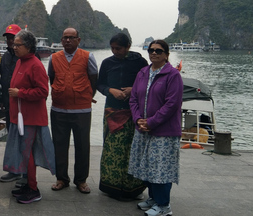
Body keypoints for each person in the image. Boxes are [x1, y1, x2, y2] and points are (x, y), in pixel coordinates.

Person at [128, 40, 183, 216]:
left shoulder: (173, 75)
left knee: (161, 168)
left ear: (166, 54)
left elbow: (172, 104)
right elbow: (134, 99)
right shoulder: (143, 73)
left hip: (164, 132)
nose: (154, 53)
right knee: (147, 166)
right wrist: (138, 120)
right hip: (143, 129)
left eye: (158, 51)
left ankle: (164, 206)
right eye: (151, 50)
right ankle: (153, 199)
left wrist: (151, 122)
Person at [2, 30, 55, 204]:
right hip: (19, 116)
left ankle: (33, 188)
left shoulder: (35, 64)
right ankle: (27, 184)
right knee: (24, 153)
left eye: (18, 45)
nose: (14, 47)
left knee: (28, 153)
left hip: (30, 118)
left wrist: (20, 93)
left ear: (29, 46)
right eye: (14, 44)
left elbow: (43, 91)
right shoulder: (20, 62)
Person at [97, 33, 148, 200]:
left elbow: (148, 83)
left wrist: (133, 90)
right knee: (112, 149)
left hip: (133, 112)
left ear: (127, 47)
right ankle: (110, 186)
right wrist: (110, 90)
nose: (114, 51)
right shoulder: (107, 63)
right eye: (112, 48)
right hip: (112, 110)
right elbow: (100, 84)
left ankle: (132, 187)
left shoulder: (140, 63)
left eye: (118, 48)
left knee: (131, 149)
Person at [48, 27, 98, 194]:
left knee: (82, 146)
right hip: (59, 109)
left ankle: (81, 180)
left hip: (82, 110)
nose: (68, 40)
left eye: (71, 37)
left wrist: (86, 94)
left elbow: (94, 78)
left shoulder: (87, 57)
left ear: (78, 39)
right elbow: (52, 78)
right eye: (65, 38)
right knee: (59, 145)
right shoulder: (54, 58)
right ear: (61, 40)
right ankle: (61, 179)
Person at [0, 24, 25, 184]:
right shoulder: (7, 56)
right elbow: (4, 79)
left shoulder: (26, 57)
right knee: (12, 136)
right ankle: (14, 169)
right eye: (8, 37)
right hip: (9, 104)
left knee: (23, 137)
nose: (10, 40)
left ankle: (24, 171)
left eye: (13, 37)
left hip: (23, 105)